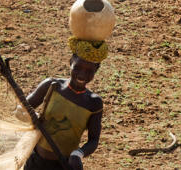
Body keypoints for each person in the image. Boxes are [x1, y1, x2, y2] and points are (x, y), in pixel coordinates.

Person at [22, 0, 115, 169]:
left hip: (63, 166)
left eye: (89, 71)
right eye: (78, 67)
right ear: (70, 61)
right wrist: (30, 116)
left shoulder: (93, 103)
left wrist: (78, 153)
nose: (82, 75)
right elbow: (21, 109)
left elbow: (93, 140)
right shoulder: (52, 86)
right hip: (35, 162)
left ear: (97, 69)